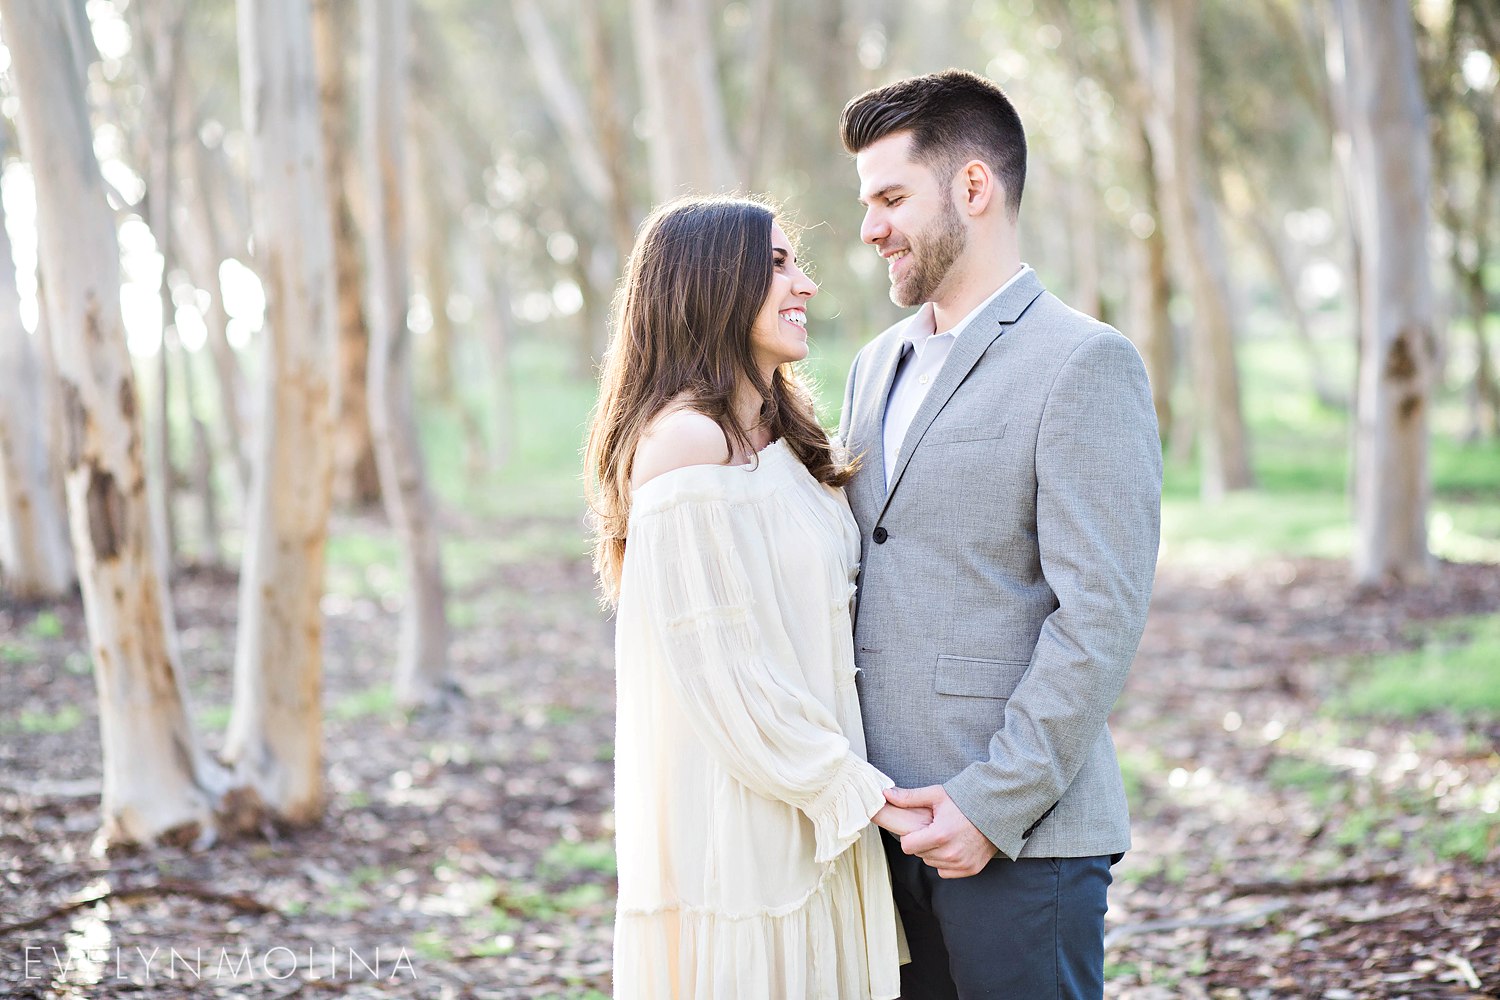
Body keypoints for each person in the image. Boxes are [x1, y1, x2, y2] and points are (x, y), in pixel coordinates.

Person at [836, 70, 1163, 998]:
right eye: (867, 203)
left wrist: (991, 803)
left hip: (1024, 841)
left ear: (973, 188)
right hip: (879, 837)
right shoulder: (872, 365)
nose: (870, 228)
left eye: (891, 197)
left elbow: (1098, 616)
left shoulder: (1084, 362)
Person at [585, 195, 926, 999]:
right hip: (750, 821)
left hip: (816, 806)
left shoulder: (783, 435)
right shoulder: (684, 442)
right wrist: (858, 793)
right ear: (710, 284)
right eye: (776, 264)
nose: (803, 282)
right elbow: (721, 673)